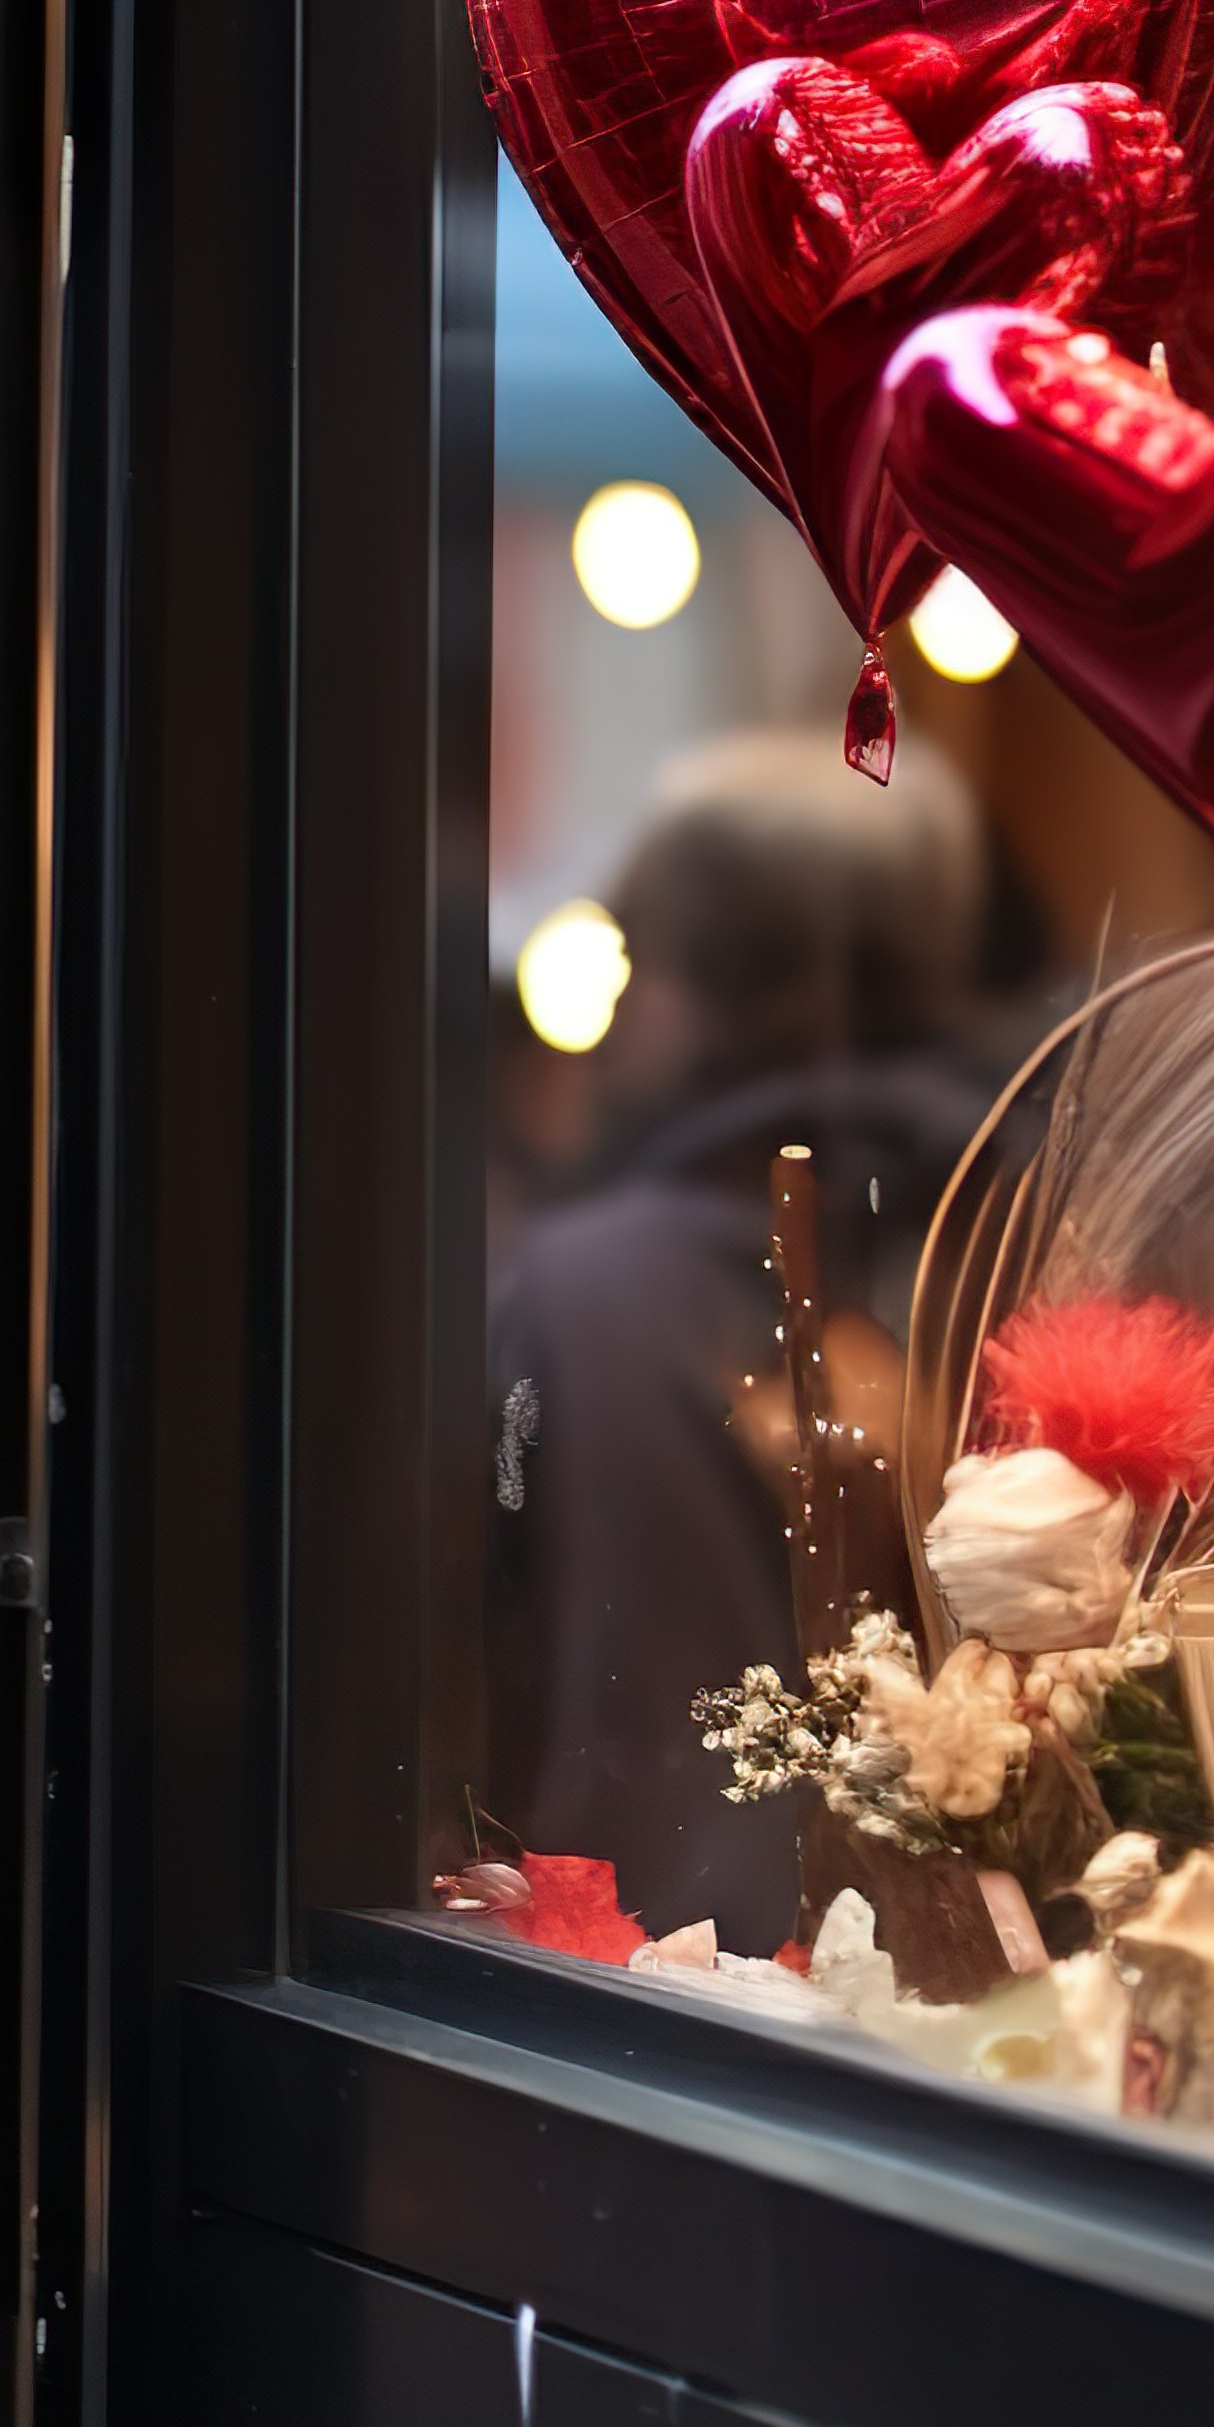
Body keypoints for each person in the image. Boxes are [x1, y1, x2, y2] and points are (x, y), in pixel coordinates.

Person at [481, 735, 1003, 1941]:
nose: (611, 1012)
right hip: (964, 1985)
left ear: (721, 996)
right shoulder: (997, 1250)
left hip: (656, 1981)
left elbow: (574, 1718)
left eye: (635, 958)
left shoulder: (595, 1289)